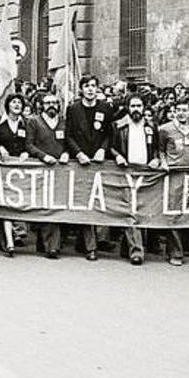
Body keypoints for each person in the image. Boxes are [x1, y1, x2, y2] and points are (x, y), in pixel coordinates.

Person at [66, 75, 115, 261]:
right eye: (87, 86)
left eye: (93, 86)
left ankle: (93, 241)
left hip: (100, 162)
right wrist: (78, 153)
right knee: (85, 202)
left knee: (100, 201)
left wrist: (103, 149)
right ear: (81, 89)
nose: (90, 89)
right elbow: (69, 135)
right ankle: (90, 247)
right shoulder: (73, 109)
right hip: (81, 162)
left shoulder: (105, 108)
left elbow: (110, 134)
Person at [110, 95, 162, 265]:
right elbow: (112, 147)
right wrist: (118, 156)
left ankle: (128, 246)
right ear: (127, 107)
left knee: (141, 211)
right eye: (133, 106)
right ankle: (136, 251)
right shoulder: (119, 126)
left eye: (139, 105)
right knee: (130, 211)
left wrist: (155, 159)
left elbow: (156, 148)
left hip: (146, 174)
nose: (136, 109)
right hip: (126, 172)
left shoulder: (151, 126)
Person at [157, 99, 189, 265]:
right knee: (173, 212)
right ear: (174, 111)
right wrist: (163, 162)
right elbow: (160, 150)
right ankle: (175, 252)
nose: (182, 113)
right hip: (173, 174)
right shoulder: (165, 129)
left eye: (185, 110)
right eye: (178, 110)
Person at [25, 93, 69, 259]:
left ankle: (52, 245)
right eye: (48, 103)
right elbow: (29, 144)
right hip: (41, 169)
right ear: (41, 105)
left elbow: (68, 141)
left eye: (55, 103)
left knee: (56, 206)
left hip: (60, 170)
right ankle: (47, 243)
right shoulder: (34, 121)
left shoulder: (63, 122)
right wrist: (43, 156)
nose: (52, 105)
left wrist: (66, 153)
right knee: (44, 206)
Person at [0, 94, 30, 256]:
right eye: (14, 102)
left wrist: (26, 152)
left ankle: (9, 237)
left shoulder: (26, 124)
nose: (17, 105)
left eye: (20, 102)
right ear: (7, 105)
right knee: (5, 204)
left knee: (16, 203)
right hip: (2, 169)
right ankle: (9, 242)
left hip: (20, 171)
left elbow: (29, 143)